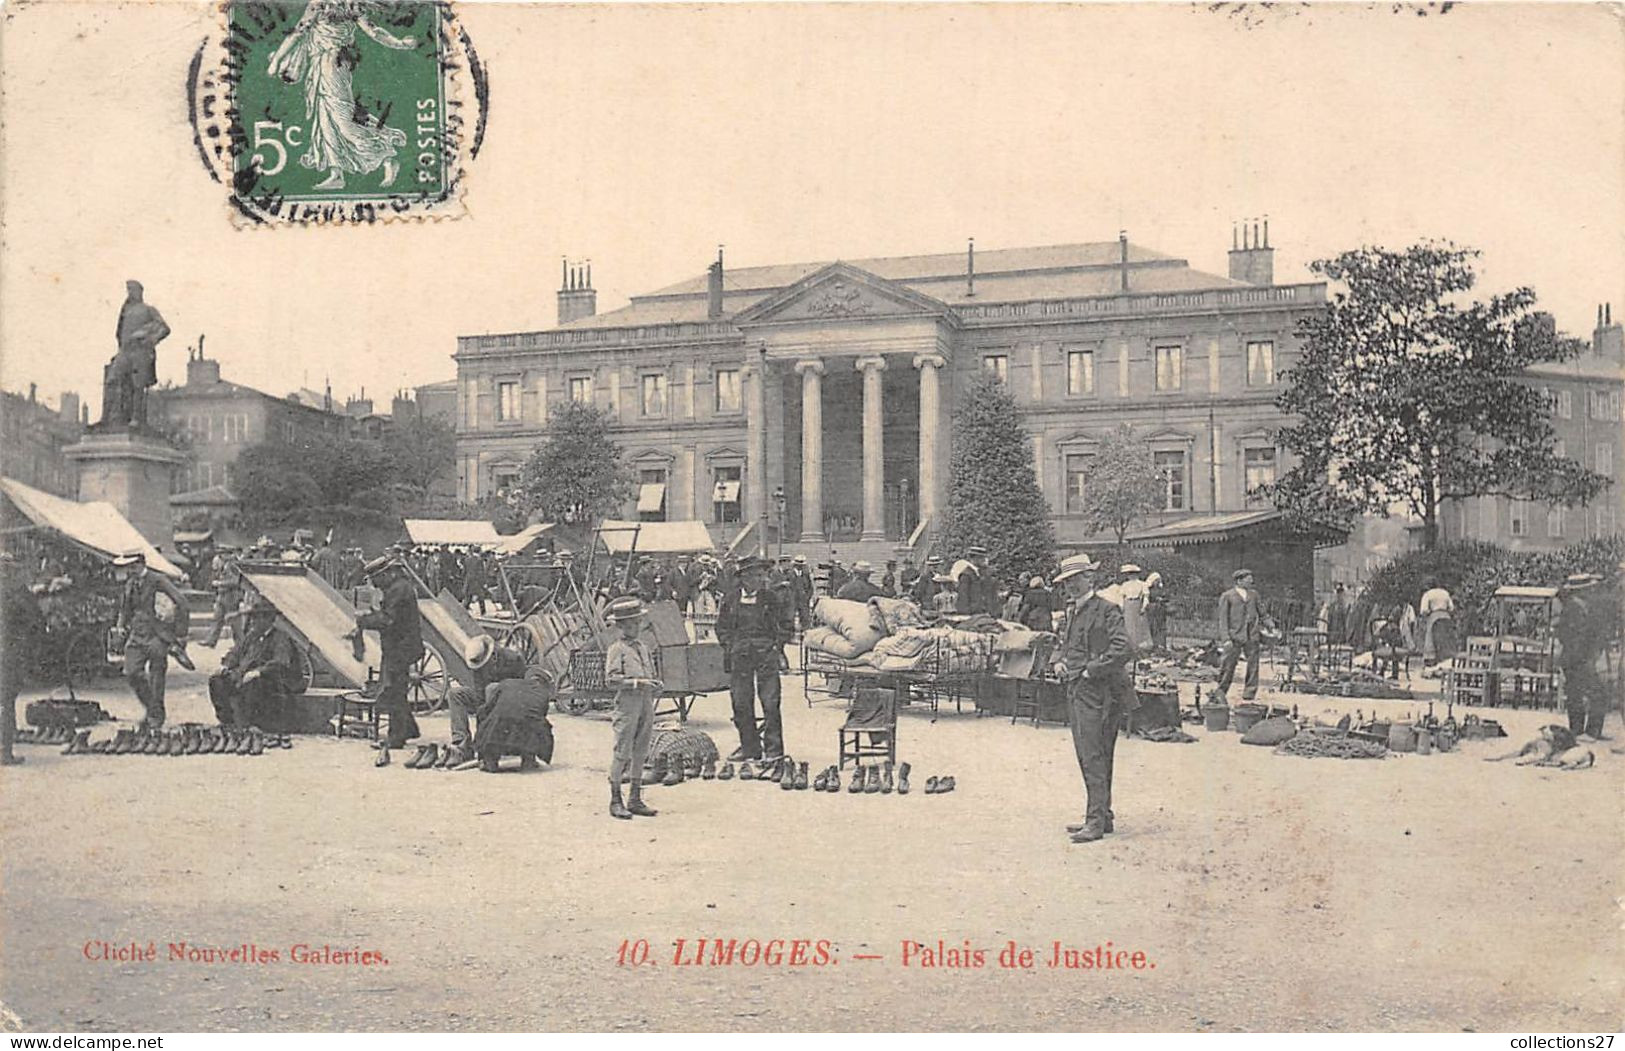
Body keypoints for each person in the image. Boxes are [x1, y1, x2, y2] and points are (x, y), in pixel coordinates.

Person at [1050, 554, 1131, 844]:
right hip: (1078, 690)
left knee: (1095, 754)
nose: (1070, 586)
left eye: (1076, 579)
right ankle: (1101, 816)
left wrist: (1089, 670)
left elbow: (1123, 648)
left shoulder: (1107, 610)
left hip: (1102, 693)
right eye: (1066, 582)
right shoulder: (1072, 611)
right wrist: (1057, 661)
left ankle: (1095, 821)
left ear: (1090, 578)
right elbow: (1063, 644)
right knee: (1088, 753)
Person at [715, 555, 792, 762]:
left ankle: (774, 750)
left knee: (770, 701)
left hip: (766, 653)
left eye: (762, 574)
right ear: (745, 578)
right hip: (739, 654)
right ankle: (750, 748)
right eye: (757, 575)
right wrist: (729, 645)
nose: (762, 578)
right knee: (740, 702)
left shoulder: (771, 598)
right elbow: (721, 627)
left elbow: (786, 624)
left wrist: (776, 646)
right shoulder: (730, 599)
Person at [112, 552, 190, 730]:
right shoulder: (130, 583)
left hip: (157, 635)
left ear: (141, 564)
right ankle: (153, 709)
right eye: (127, 567)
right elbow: (125, 608)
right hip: (137, 635)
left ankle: (155, 716)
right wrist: (120, 626)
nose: (129, 570)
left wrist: (180, 634)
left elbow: (182, 602)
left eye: (132, 566)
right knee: (131, 672)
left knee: (157, 676)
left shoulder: (158, 580)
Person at [353, 555, 423, 750]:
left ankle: (396, 737)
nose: (375, 586)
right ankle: (408, 728)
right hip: (401, 646)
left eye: (376, 581)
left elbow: (389, 620)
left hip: (400, 648)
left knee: (393, 689)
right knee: (397, 687)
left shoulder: (398, 590)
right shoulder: (399, 587)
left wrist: (365, 620)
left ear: (385, 575)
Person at [602, 597, 661, 818]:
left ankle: (635, 798)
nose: (633, 628)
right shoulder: (616, 649)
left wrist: (654, 684)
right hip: (627, 703)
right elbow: (611, 680)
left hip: (645, 701)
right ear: (620, 627)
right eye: (628, 624)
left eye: (636, 623)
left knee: (641, 749)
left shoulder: (643, 648)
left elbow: (650, 673)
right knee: (622, 751)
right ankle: (615, 799)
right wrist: (637, 683)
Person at [208, 596, 300, 730]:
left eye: (258, 618)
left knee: (253, 684)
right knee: (217, 681)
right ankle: (228, 722)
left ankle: (250, 725)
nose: (253, 621)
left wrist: (259, 672)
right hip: (243, 676)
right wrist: (225, 666)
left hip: (271, 681)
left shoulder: (280, 638)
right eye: (253, 618)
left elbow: (280, 662)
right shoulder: (251, 636)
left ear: (269, 620)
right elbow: (236, 652)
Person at [445, 634, 530, 764]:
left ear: (492, 655)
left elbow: (523, 690)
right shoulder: (477, 663)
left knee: (492, 688)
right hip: (488, 701)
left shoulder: (513, 659)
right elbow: (480, 698)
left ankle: (493, 744)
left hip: (510, 703)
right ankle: (461, 744)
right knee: (455, 694)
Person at [1, 551, 45, 765]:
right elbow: (36, 620)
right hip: (9, 653)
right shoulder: (16, 591)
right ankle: (4, 751)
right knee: (5, 700)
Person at [472, 667, 555, 774]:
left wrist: (481, 735)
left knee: (492, 720)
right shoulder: (543, 693)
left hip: (498, 734)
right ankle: (528, 759)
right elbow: (540, 716)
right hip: (526, 736)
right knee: (538, 724)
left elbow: (487, 708)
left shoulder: (508, 683)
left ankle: (490, 760)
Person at [1556, 573, 1608, 742]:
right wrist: (1586, 657)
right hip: (1578, 659)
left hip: (1574, 658)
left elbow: (1563, 634)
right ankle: (1589, 731)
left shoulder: (1577, 606)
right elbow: (1572, 636)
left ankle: (1578, 730)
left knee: (1576, 694)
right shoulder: (1576, 608)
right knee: (1596, 693)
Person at [1214, 568, 1264, 703]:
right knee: (1228, 665)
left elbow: (1263, 613)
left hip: (1252, 635)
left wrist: (1270, 625)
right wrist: (1225, 639)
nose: (1251, 581)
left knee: (1253, 665)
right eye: (1248, 579)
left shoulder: (1254, 595)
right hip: (1234, 636)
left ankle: (1250, 692)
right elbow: (1223, 619)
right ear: (1239, 581)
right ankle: (1221, 691)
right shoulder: (1227, 596)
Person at [200, 551, 243, 648]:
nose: (214, 565)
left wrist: (220, 583)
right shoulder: (223, 568)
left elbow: (236, 581)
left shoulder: (232, 567)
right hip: (222, 595)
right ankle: (211, 640)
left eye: (216, 563)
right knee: (217, 618)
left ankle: (240, 643)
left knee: (234, 621)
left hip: (231, 596)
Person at [1418, 580, 1457, 664]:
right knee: (1447, 639)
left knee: (1430, 638)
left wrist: (1428, 613)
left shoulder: (1428, 594)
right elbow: (1451, 608)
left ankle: (1431, 659)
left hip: (1434, 617)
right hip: (1446, 617)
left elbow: (1424, 610)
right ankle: (1447, 660)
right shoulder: (1445, 593)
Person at [1117, 564, 1152, 653]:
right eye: (1129, 574)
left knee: (1139, 627)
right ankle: (1129, 648)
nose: (1131, 576)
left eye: (1133, 574)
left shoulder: (1142, 584)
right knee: (1128, 626)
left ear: (1137, 574)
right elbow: (1121, 597)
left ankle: (1139, 649)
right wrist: (1121, 607)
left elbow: (1146, 597)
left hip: (1137, 604)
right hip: (1128, 605)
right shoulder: (1125, 585)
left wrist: (1143, 607)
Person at [1144, 572, 1169, 650]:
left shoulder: (1161, 589)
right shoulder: (1148, 590)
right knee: (1153, 627)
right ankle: (1154, 644)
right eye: (1156, 580)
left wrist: (1162, 600)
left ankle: (1161, 644)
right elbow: (1147, 599)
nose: (1158, 582)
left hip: (1160, 610)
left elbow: (1166, 597)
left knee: (1161, 628)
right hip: (1152, 610)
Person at [462, 548, 489, 616]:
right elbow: (481, 572)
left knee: (468, 597)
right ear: (479, 552)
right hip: (476, 581)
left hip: (469, 581)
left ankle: (463, 610)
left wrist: (465, 579)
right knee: (481, 596)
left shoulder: (467, 560)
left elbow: (464, 572)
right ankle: (483, 612)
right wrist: (484, 582)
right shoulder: (479, 560)